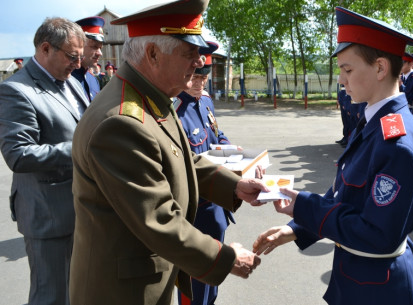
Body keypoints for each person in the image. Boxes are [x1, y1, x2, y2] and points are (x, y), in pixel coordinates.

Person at [69, 1, 266, 304]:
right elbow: (159, 219)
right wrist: (225, 258)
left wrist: (234, 185)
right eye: (190, 53)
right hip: (122, 293)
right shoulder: (121, 122)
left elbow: (181, 158)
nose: (199, 63)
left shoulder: (150, 95)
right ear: (153, 54)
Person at [253, 6, 413, 305]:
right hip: (361, 277)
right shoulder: (376, 122)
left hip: (378, 288)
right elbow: (345, 193)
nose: (341, 79)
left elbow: (376, 233)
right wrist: (295, 228)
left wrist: (304, 206)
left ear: (379, 68)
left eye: (348, 70)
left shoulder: (396, 141)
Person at [0, 17, 88, 305]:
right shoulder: (16, 90)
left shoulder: (71, 81)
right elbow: (18, 154)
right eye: (72, 56)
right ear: (46, 48)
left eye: (80, 57)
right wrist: (81, 148)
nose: (78, 63)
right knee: (50, 296)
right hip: (48, 214)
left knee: (75, 291)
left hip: (80, 208)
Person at [173, 40, 241, 305]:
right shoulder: (174, 110)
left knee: (212, 285)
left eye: (205, 77)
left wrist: (232, 150)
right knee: (196, 287)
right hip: (194, 215)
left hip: (216, 208)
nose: (201, 82)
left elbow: (216, 134)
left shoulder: (205, 102)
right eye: (197, 76)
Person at [72, 16, 104, 101]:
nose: (100, 53)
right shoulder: (65, 79)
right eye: (94, 47)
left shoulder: (94, 80)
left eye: (100, 48)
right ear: (78, 46)